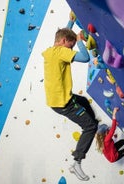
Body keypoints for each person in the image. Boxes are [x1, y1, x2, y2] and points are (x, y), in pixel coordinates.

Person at [41, 13, 98, 181]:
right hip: (64, 104)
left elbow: (62, 37)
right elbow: (85, 57)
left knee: (83, 101)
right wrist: (80, 41)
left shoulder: (51, 50)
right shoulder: (61, 52)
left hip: (57, 100)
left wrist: (71, 22)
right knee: (90, 128)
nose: (71, 50)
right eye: (70, 46)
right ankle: (77, 162)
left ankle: (91, 119)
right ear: (64, 43)